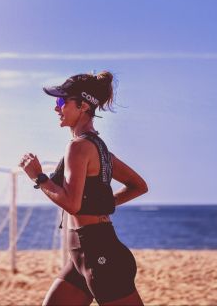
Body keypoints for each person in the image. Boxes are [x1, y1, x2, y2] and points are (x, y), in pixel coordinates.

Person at [19, 71, 148, 306]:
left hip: (100, 253)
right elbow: (138, 186)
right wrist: (102, 206)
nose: (56, 108)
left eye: (61, 101)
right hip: (82, 256)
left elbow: (72, 204)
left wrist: (38, 177)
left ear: (83, 106)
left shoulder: (78, 147)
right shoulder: (100, 149)